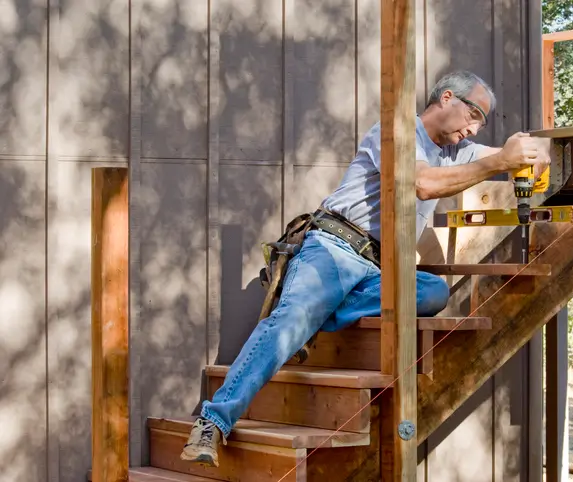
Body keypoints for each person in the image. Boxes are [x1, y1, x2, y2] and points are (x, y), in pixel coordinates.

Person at [180, 70, 550, 467]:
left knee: (432, 292)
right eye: (474, 114)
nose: (475, 128)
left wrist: (533, 154)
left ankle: (325, 309)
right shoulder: (395, 130)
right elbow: (423, 184)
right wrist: (499, 160)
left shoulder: (459, 151)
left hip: (377, 267)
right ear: (446, 98)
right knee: (290, 320)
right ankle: (212, 422)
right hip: (335, 245)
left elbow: (514, 154)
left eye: (483, 122)